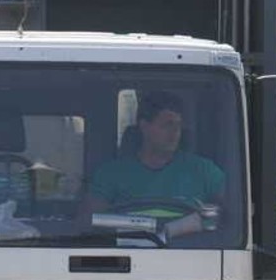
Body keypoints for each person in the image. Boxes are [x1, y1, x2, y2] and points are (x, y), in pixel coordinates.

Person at [83, 90, 224, 238]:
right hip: (128, 249)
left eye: (178, 125)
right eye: (167, 125)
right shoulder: (110, 174)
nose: (175, 132)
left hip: (192, 254)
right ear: (144, 127)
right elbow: (89, 222)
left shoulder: (204, 170)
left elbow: (231, 214)